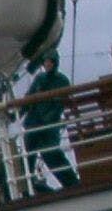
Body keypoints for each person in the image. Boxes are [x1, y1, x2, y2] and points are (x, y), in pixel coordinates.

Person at [22, 51, 79, 194]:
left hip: (49, 124)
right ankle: (27, 186)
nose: (47, 64)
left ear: (55, 63)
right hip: (34, 122)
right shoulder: (39, 79)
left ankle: (71, 183)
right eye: (46, 62)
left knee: (51, 154)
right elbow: (28, 98)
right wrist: (17, 113)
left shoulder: (62, 81)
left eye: (50, 62)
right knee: (29, 154)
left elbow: (60, 104)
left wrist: (49, 118)